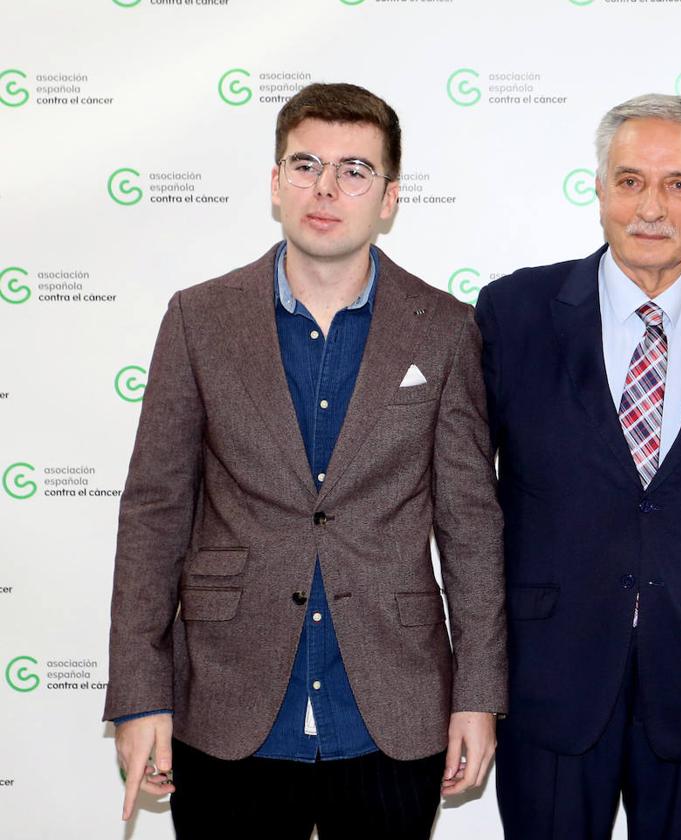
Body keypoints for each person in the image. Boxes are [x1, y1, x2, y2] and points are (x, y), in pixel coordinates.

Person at [103, 82, 506, 839]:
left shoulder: (444, 330)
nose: (326, 188)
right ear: (275, 183)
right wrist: (139, 694)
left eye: (355, 170)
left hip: (394, 709)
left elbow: (471, 530)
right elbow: (154, 513)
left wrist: (476, 696)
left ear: (388, 198)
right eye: (305, 165)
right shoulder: (199, 320)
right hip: (228, 706)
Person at [476, 93, 681, 839]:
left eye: (678, 185)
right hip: (548, 675)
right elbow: (462, 503)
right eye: (631, 180)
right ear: (601, 188)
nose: (652, 206)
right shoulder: (513, 314)